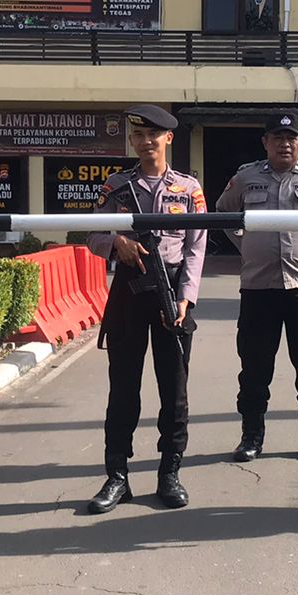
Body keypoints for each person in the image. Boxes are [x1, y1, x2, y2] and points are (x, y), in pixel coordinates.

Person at [85, 105, 207, 515]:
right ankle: (117, 475)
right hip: (129, 290)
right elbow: (93, 235)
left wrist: (186, 296)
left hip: (172, 291)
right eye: (138, 135)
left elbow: (196, 246)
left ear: (168, 138)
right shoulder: (117, 186)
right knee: (123, 387)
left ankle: (169, 471)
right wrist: (115, 242)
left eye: (153, 134)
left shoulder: (188, 188)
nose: (146, 141)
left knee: (174, 389)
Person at [215, 111, 298, 465]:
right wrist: (246, 246)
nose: (284, 144)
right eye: (277, 138)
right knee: (254, 369)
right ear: (265, 142)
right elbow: (224, 213)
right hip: (259, 288)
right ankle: (251, 436)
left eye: (291, 138)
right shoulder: (246, 177)